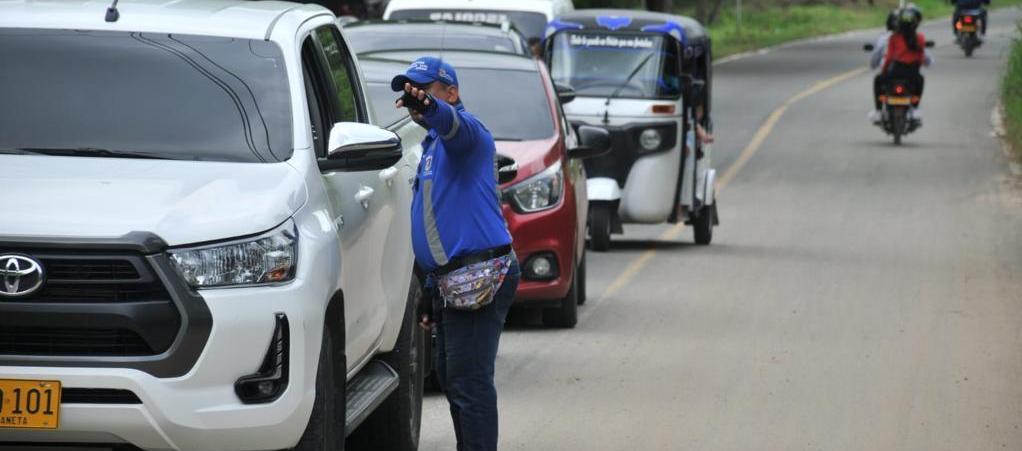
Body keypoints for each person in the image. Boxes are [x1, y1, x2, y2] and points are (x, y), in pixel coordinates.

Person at [392, 56, 520, 451]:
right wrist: (430, 287)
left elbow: (452, 124)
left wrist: (432, 110)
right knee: (452, 376)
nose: (415, 101)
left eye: (424, 92)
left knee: (470, 382)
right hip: (451, 282)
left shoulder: (467, 135)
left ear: (451, 93)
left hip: (479, 277)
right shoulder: (430, 147)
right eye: (410, 93)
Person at [871, 6, 932, 123]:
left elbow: (889, 58)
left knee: (878, 80)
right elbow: (921, 58)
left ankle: (878, 111)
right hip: (913, 75)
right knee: (921, 80)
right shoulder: (920, 38)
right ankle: (915, 109)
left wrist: (884, 71)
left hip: (895, 72)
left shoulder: (894, 38)